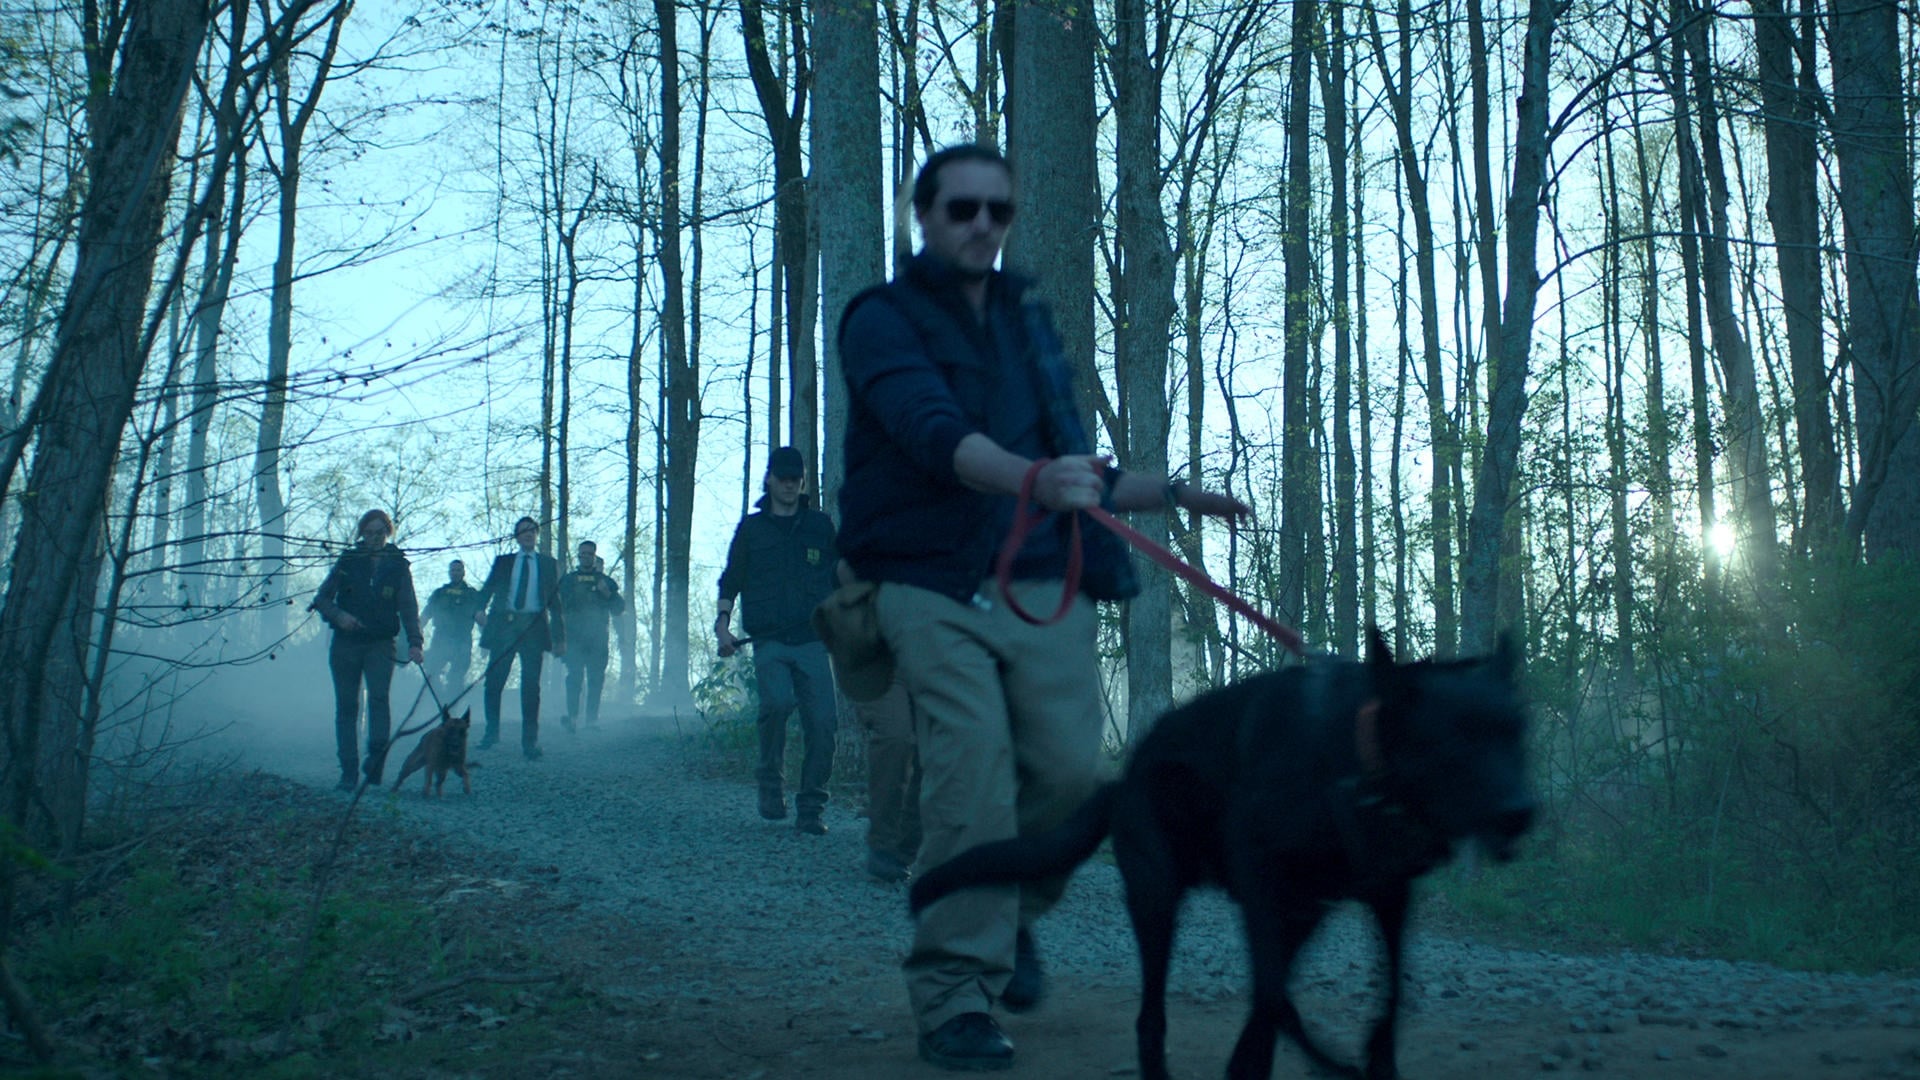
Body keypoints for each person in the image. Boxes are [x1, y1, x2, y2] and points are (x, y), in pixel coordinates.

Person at [836, 143, 1250, 1070]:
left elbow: (1073, 463)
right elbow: (931, 431)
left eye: (999, 210)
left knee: (1071, 781)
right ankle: (954, 998)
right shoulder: (879, 319)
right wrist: (1033, 479)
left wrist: (1172, 493)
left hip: (1044, 578)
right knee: (971, 781)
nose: (983, 224)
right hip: (928, 582)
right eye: (962, 208)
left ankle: (1010, 908)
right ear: (924, 215)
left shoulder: (1028, 315)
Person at [715, 446, 840, 835]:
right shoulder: (751, 529)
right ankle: (770, 783)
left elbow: (840, 578)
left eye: (795, 478)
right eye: (782, 477)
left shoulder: (821, 526)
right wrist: (722, 624)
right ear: (769, 479)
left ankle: (811, 807)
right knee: (777, 702)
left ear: (803, 482)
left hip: (813, 640)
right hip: (768, 640)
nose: (788, 484)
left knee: (824, 722)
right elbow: (731, 579)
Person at [311, 509, 425, 790]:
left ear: (388, 533)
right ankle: (348, 772)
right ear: (362, 533)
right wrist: (340, 617)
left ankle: (375, 762)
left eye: (380, 532)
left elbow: (408, 606)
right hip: (345, 644)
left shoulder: (398, 565)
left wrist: (415, 643)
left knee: (379, 700)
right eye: (369, 532)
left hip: (381, 643)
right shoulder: (348, 561)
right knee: (347, 706)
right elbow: (322, 599)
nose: (374, 538)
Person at [474, 516, 566, 759]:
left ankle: (530, 742)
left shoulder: (548, 564)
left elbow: (556, 604)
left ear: (536, 536)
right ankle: (491, 733)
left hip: (534, 628)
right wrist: (478, 609)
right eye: (523, 531)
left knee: (531, 686)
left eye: (532, 531)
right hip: (505, 626)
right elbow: (488, 588)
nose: (528, 534)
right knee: (494, 682)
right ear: (516, 536)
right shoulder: (504, 562)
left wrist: (559, 638)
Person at [857, 680, 921, 883]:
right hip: (883, 669)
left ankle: (906, 848)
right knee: (894, 736)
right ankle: (882, 844)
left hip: (939, 667)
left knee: (934, 749)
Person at [558, 542, 623, 731]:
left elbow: (619, 609)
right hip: (574, 638)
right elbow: (556, 607)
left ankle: (592, 720)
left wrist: (607, 594)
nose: (585, 556)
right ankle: (572, 718)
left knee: (596, 679)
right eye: (582, 554)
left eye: (589, 554)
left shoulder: (605, 581)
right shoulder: (568, 581)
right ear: (578, 556)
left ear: (595, 556)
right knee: (574, 677)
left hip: (598, 639)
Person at [420, 559, 484, 699]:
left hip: (462, 640)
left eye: (458, 570)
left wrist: (486, 642)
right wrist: (415, 635)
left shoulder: (472, 595)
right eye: (453, 570)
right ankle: (434, 702)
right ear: (449, 572)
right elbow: (425, 615)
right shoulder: (439, 593)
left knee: (457, 677)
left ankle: (453, 705)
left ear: (463, 572)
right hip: (440, 639)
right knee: (432, 672)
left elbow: (481, 619)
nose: (455, 573)